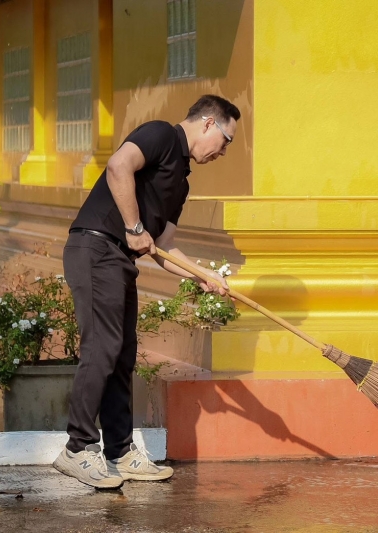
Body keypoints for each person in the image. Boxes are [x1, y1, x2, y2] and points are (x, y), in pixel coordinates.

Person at [52, 95, 239, 488]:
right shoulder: (160, 135)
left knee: (122, 354)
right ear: (208, 123)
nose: (224, 152)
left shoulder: (181, 183)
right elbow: (118, 165)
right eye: (226, 141)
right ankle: (77, 448)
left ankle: (119, 452)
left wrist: (202, 275)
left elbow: (164, 247)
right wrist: (135, 228)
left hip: (119, 259)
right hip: (95, 247)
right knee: (103, 346)